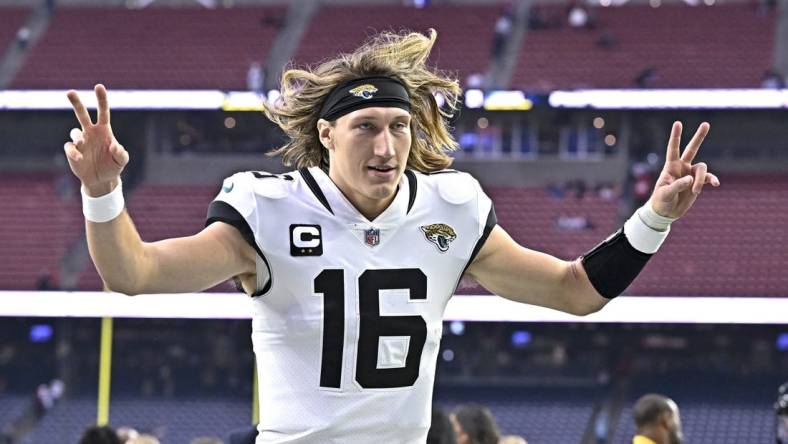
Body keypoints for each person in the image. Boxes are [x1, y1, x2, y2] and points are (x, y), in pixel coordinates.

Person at [63, 29, 719, 443]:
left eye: (398, 126)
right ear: (326, 134)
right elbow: (134, 274)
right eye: (366, 127)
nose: (387, 145)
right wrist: (102, 190)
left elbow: (576, 291)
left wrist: (653, 216)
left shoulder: (452, 208)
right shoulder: (266, 208)